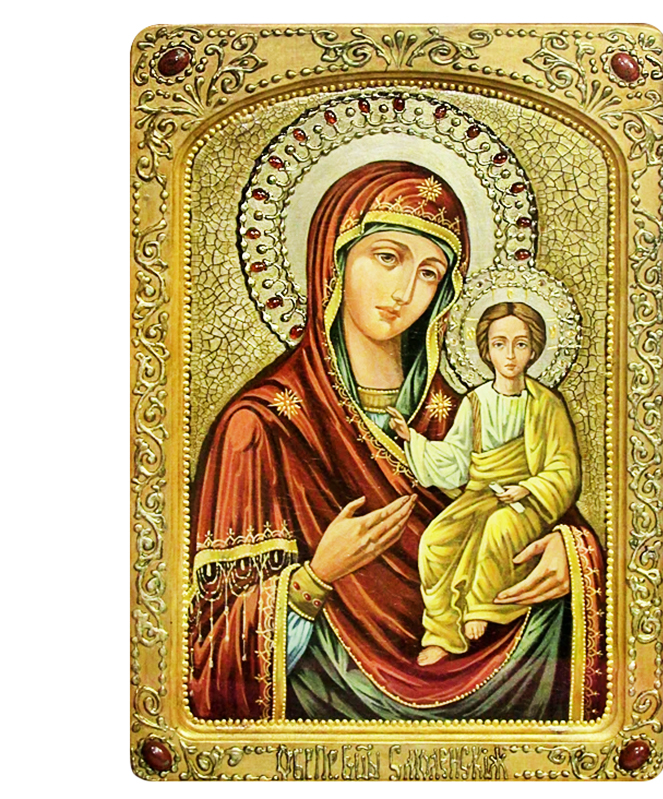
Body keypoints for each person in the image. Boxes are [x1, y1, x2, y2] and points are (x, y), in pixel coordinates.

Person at [188, 160, 606, 722]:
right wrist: (316, 578)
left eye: (430, 273)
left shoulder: (464, 404)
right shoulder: (262, 425)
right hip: (333, 699)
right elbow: (211, 656)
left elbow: (550, 497)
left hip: (509, 675)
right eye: (387, 258)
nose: (405, 292)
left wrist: (570, 555)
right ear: (333, 261)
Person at [387, 302, 582, 667]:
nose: (510, 355)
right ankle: (442, 634)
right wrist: (413, 439)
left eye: (520, 344)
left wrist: (529, 488)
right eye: (499, 344)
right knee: (435, 541)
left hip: (527, 501)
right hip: (479, 494)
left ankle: (480, 608)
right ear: (486, 351)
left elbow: (564, 467)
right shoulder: (475, 402)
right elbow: (456, 459)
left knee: (498, 527)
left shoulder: (547, 404)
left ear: (534, 350)